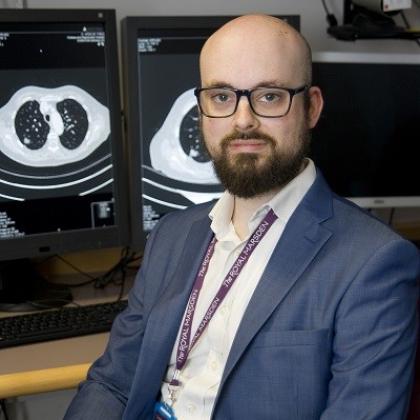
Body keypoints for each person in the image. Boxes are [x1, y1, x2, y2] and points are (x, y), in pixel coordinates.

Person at [65, 14, 419, 420]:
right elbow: (113, 382)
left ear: (312, 108)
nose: (242, 120)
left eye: (269, 96)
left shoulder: (373, 262)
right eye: (221, 97)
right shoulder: (172, 235)